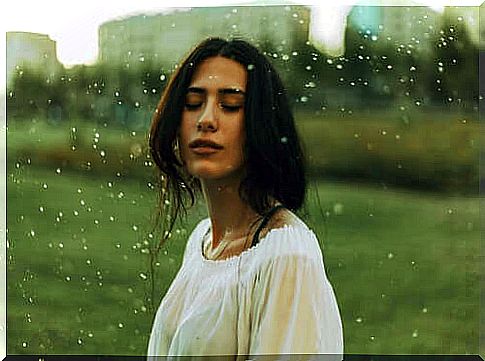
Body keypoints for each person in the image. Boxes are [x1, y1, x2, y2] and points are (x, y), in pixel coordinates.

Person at [147, 37, 343, 358]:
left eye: (231, 105)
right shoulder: (203, 242)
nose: (206, 119)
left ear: (260, 122)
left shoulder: (285, 257)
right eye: (193, 102)